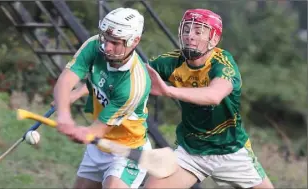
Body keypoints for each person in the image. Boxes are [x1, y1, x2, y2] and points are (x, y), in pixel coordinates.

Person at [143, 9, 275, 189]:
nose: (190, 36)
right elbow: (131, 78)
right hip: (191, 151)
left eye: (198, 31)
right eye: (186, 29)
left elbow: (214, 96)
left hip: (230, 150)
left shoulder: (223, 62)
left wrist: (168, 90)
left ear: (214, 39)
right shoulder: (170, 62)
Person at [53, 7, 152, 189]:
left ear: (134, 41)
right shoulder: (93, 45)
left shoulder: (134, 84)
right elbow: (65, 80)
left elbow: (97, 130)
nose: (107, 47)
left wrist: (80, 132)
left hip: (127, 150)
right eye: (105, 39)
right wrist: (64, 114)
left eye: (115, 42)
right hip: (97, 149)